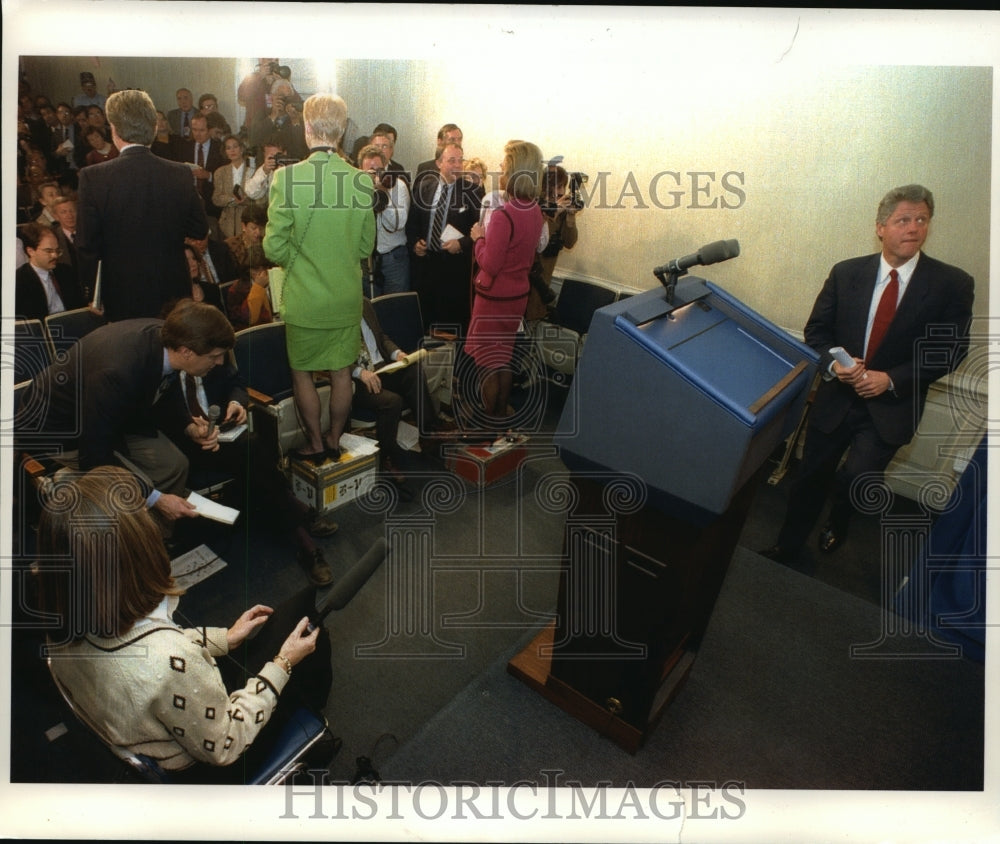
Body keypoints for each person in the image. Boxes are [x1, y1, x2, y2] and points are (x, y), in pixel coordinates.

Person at [36, 467, 334, 781]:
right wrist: (284, 663)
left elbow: (157, 650)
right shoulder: (165, 660)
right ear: (134, 555)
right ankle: (305, 737)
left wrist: (225, 638)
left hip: (149, 724)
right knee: (308, 626)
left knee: (290, 618)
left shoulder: (64, 627)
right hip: (210, 767)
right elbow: (225, 745)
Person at [760, 184, 975, 564]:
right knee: (811, 477)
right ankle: (788, 544)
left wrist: (890, 379)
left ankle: (840, 518)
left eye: (921, 220)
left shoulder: (951, 284)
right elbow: (817, 333)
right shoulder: (846, 273)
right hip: (837, 400)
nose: (913, 228)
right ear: (881, 227)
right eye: (903, 220)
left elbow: (948, 350)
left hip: (892, 406)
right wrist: (834, 365)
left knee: (857, 477)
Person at [21, 300, 237, 530]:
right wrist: (156, 499)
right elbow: (93, 451)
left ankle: (157, 535)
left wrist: (189, 426)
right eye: (215, 356)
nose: (220, 362)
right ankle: (125, 530)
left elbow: (166, 388)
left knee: (174, 465)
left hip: (115, 414)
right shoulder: (116, 371)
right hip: (63, 430)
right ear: (187, 352)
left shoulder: (169, 339)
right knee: (138, 487)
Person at [263, 93, 376, 465]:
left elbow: (273, 248)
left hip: (305, 300)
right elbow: (365, 246)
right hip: (345, 298)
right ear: (342, 131)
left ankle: (313, 443)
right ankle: (334, 437)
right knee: (343, 374)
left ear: (307, 128)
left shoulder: (287, 178)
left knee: (303, 376)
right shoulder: (361, 182)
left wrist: (301, 258)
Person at [76, 89, 209, 321]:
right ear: (154, 128)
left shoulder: (93, 177)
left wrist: (92, 294)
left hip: (121, 294)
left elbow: (87, 245)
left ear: (114, 129)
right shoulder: (180, 173)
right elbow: (199, 228)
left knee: (133, 355)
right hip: (173, 292)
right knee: (172, 355)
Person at [465, 141, 545, 431]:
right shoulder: (534, 211)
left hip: (493, 298)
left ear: (514, 171)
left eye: (505, 165)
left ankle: (491, 419)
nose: (501, 169)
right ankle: (501, 415)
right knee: (504, 358)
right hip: (517, 298)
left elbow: (490, 263)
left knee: (487, 362)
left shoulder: (503, 215)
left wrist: (479, 239)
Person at [352, 297, 451, 485]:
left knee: (412, 370)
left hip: (381, 367)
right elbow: (328, 356)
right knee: (392, 401)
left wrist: (397, 353)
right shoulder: (330, 311)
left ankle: (428, 432)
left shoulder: (363, 302)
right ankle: (387, 457)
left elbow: (381, 337)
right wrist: (359, 372)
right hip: (356, 379)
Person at [406, 141, 483, 335]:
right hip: (426, 266)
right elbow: (412, 223)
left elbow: (481, 229)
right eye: (451, 161)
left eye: (460, 160)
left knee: (452, 326)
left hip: (454, 269)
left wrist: (462, 243)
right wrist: (415, 242)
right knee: (425, 322)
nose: (457, 165)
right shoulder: (424, 187)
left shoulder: (472, 191)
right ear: (439, 163)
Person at [357, 143, 410, 295]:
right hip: (366, 259)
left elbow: (398, 224)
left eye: (378, 171)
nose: (374, 175)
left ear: (385, 167)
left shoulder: (398, 186)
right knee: (369, 310)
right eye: (369, 172)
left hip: (394, 259)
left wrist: (382, 194)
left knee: (395, 308)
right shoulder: (356, 190)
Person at [15, 222, 86, 320]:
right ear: (31, 251)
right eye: (48, 251)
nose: (55, 256)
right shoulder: (19, 281)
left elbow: (80, 305)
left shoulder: (66, 271)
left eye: (57, 250)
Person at [212, 134, 254, 240]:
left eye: (235, 146)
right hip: (227, 224)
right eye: (228, 148)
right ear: (225, 152)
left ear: (242, 148)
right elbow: (216, 198)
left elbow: (260, 197)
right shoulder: (220, 172)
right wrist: (232, 200)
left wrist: (245, 200)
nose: (232, 150)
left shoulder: (252, 170)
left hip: (249, 220)